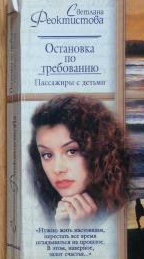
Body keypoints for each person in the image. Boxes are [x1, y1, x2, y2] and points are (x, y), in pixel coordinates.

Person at [28, 95, 129, 226]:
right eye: (47, 155)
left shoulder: (122, 215)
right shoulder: (49, 211)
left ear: (99, 151)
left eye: (72, 151)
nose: (58, 169)